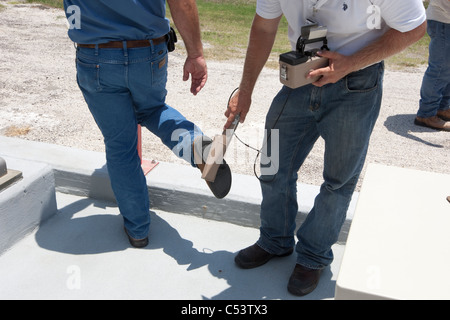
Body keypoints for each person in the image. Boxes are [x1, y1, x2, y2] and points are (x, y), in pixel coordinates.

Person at [225, 0, 426, 296]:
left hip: (356, 83)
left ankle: (313, 256)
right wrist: (246, 89)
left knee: (338, 181)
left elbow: (414, 27)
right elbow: (264, 26)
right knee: (272, 162)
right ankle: (275, 240)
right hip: (300, 75)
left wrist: (351, 63)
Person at [63, 0, 231, 248]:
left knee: (121, 144)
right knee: (154, 110)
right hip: (147, 51)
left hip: (95, 53)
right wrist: (195, 54)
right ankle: (200, 149)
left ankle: (138, 230)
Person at [415, 0, 450, 131]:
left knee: (447, 70)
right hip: (443, 20)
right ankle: (426, 114)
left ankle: (442, 108)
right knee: (440, 69)